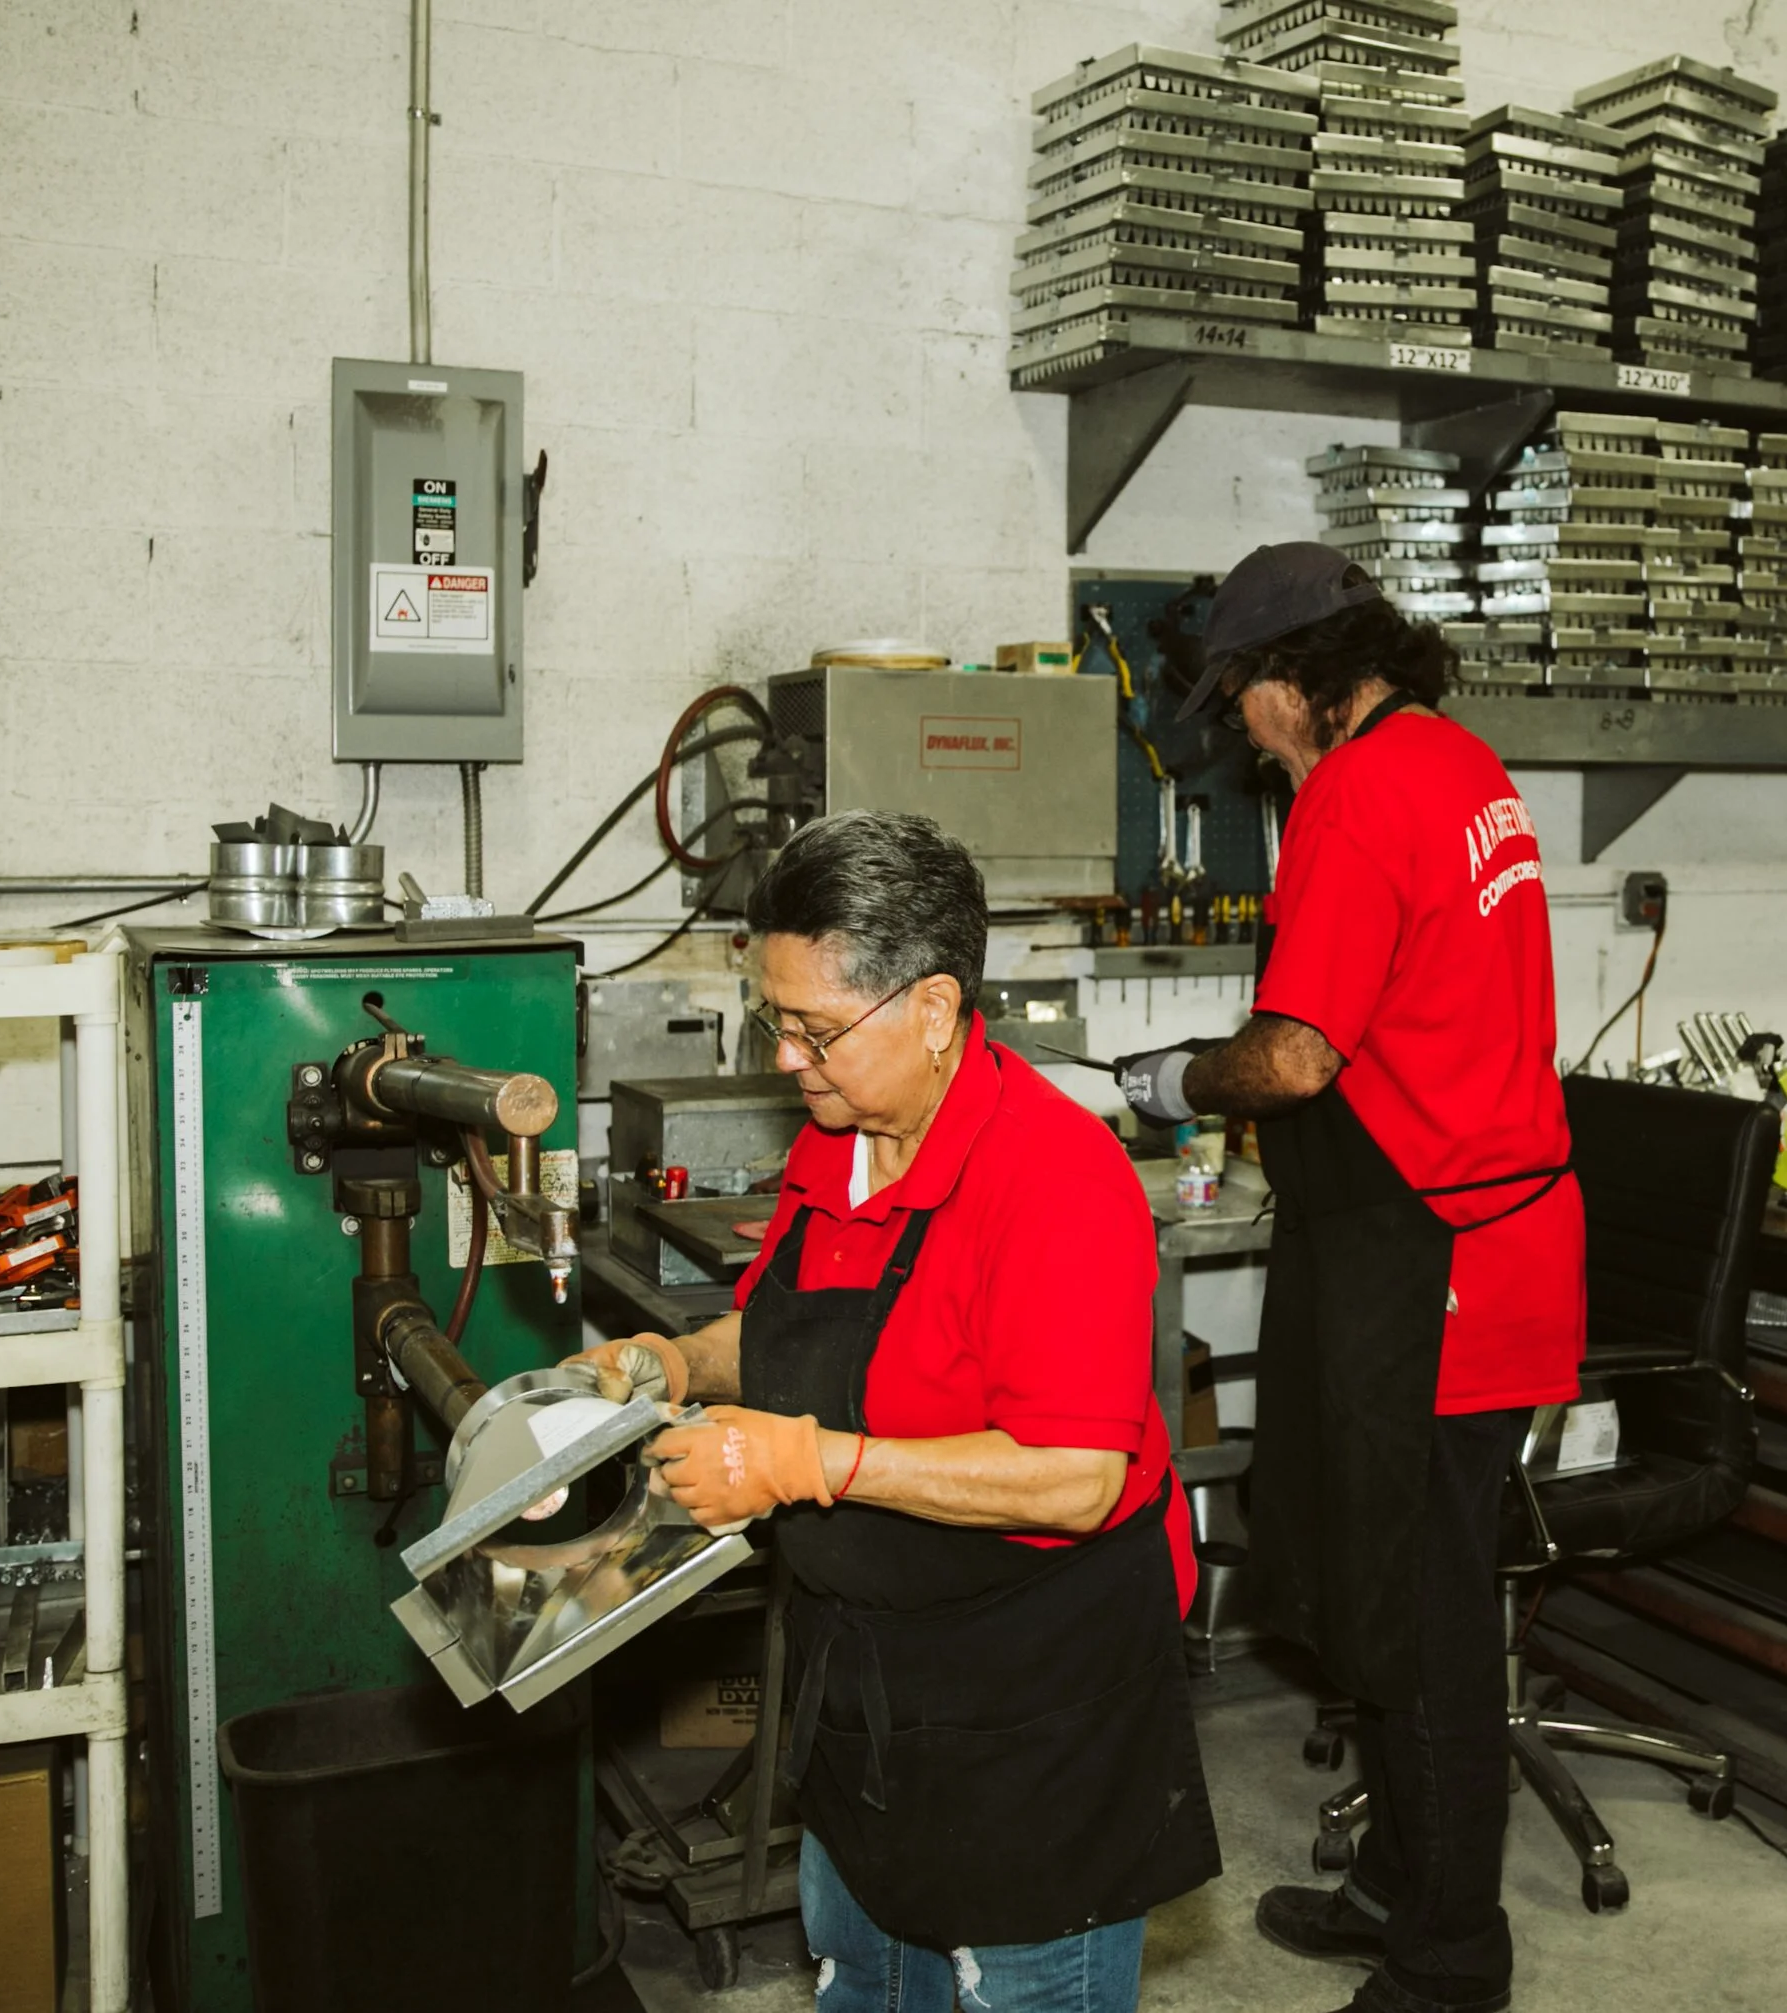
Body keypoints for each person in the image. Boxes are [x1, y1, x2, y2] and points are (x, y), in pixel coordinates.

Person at [578, 809, 1219, 2013]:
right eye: (775, 1022)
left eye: (815, 1029)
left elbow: (1075, 1475)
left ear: (932, 1009)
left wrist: (809, 1463)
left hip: (1035, 1706)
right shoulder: (840, 1139)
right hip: (871, 1684)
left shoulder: (1052, 1181)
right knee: (865, 1982)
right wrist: (677, 1364)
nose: (787, 1060)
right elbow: (787, 1338)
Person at [1116, 544, 1585, 2013]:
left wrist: (1173, 1079)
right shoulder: (1458, 763)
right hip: (1477, 1234)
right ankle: (1395, 1888)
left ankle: (1451, 1959)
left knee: (1424, 1620)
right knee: (1383, 1590)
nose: (1246, 733)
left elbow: (1297, 1056)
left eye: (1244, 701)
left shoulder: (1356, 795)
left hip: (1436, 1258)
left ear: (1298, 678)